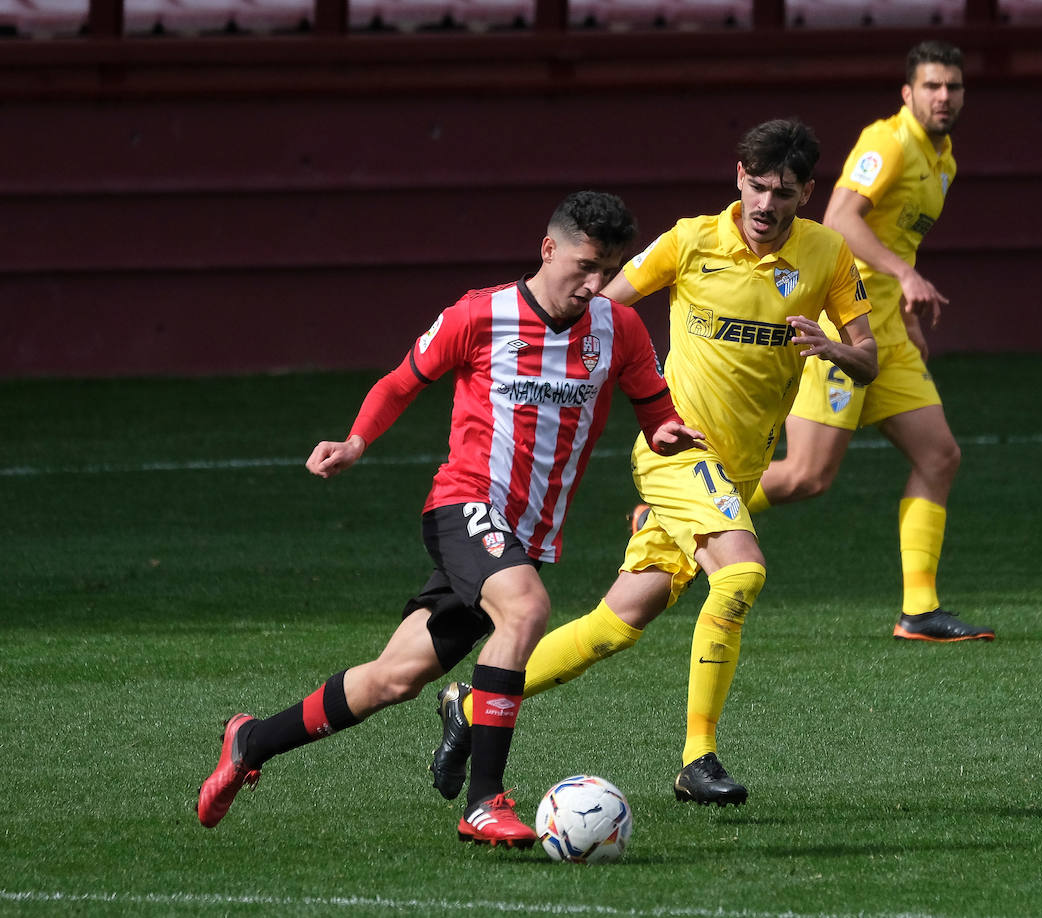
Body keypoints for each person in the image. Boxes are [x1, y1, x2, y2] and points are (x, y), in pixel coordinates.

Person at [196, 191, 703, 846]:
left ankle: (250, 742)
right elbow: (402, 381)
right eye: (583, 265)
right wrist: (355, 442)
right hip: (464, 505)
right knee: (525, 611)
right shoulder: (480, 313)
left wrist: (666, 434)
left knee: (393, 678)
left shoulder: (619, 329)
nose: (594, 283)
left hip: (526, 535)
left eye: (608, 270)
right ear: (548, 249)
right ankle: (485, 800)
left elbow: (654, 407)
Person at [429, 118, 877, 808]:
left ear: (807, 193)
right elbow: (596, 308)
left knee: (618, 622)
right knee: (742, 575)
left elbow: (868, 357)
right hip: (678, 451)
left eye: (782, 193)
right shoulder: (691, 241)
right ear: (738, 177)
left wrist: (831, 347)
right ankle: (698, 758)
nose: (765, 204)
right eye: (756, 187)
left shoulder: (829, 256)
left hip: (738, 471)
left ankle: (466, 702)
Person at [746, 41, 994, 643]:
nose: (943, 97)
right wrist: (907, 277)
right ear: (908, 94)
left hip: (889, 330)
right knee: (806, 476)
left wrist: (904, 307)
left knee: (940, 456)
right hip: (845, 327)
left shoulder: (944, 160)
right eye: (932, 86)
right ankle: (672, 508)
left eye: (953, 87)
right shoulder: (889, 144)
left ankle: (920, 611)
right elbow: (841, 220)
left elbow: (894, 244)